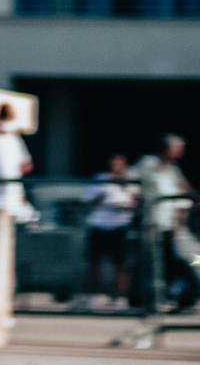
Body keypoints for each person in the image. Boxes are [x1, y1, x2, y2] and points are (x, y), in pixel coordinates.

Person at [137, 133, 197, 312]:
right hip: (155, 222)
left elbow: (184, 189)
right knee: (157, 264)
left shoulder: (174, 169)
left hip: (176, 224)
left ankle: (186, 296)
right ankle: (158, 299)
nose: (180, 152)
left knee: (189, 260)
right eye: (177, 148)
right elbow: (141, 185)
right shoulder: (148, 164)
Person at [76, 153, 137, 311]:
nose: (116, 166)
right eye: (113, 163)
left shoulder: (130, 182)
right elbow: (85, 202)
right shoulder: (99, 179)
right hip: (99, 226)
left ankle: (120, 298)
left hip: (120, 227)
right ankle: (89, 297)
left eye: (119, 163)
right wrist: (100, 197)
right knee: (93, 264)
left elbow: (136, 202)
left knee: (121, 265)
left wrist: (127, 203)